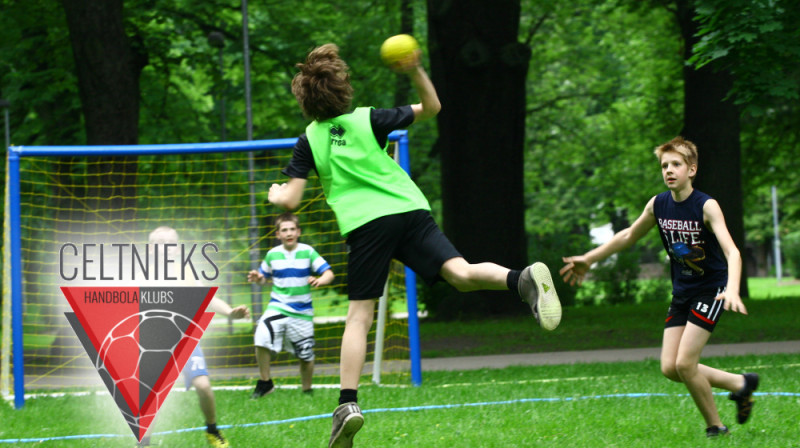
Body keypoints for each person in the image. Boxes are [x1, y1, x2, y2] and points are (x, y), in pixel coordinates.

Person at [267, 42, 562, 448]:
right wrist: (415, 71)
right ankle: (521, 278)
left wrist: (276, 193)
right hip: (409, 209)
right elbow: (433, 107)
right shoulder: (369, 119)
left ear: (306, 101)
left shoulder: (310, 140)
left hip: (366, 224)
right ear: (342, 89)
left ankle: (347, 404)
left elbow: (291, 201)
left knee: (359, 317)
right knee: (461, 274)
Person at [559, 137, 759, 438]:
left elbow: (733, 252)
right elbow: (627, 236)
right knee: (670, 368)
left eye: (676, 164)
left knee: (685, 364)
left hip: (712, 290)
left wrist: (732, 289)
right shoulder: (658, 205)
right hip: (683, 292)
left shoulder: (706, 205)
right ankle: (740, 384)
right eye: (664, 165)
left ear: (691, 169)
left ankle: (716, 428)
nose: (669, 170)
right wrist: (589, 258)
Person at [142, 226, 251, 448]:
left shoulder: (186, 272)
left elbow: (208, 298)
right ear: (151, 250)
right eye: (161, 243)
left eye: (172, 243)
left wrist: (230, 312)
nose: (168, 248)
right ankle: (143, 443)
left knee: (203, 386)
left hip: (185, 340)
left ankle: (212, 430)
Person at [247, 212, 334, 398]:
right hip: (278, 306)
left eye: (292, 229)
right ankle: (265, 382)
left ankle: (307, 390)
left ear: (298, 232)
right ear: (277, 234)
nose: (289, 233)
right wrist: (258, 279)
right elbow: (264, 279)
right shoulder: (272, 255)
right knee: (261, 335)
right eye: (284, 230)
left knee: (306, 354)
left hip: (302, 311)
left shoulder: (308, 251)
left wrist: (321, 280)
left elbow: (329, 273)